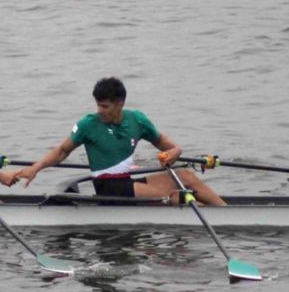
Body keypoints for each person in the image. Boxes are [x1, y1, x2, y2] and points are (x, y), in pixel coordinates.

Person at [14, 77, 226, 205]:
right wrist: (36, 168)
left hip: (128, 182)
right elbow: (61, 151)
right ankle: (221, 217)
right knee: (177, 194)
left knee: (187, 176)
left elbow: (170, 146)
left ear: (120, 104)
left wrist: (174, 152)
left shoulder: (138, 120)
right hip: (108, 188)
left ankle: (225, 213)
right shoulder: (89, 124)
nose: (100, 111)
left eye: (105, 106)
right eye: (98, 105)